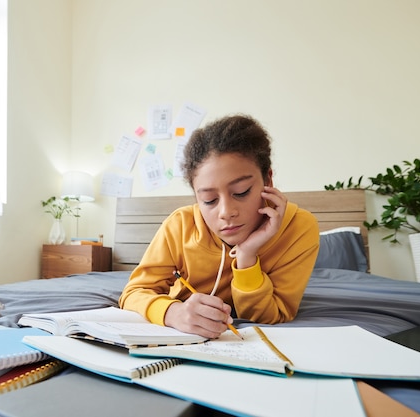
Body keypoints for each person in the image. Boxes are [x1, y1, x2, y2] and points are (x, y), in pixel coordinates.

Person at [119, 114, 319, 339]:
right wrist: (174, 313)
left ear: (268, 180)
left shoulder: (299, 228)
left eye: (241, 192)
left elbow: (271, 316)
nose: (226, 212)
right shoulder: (180, 225)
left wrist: (247, 256)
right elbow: (133, 292)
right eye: (209, 200)